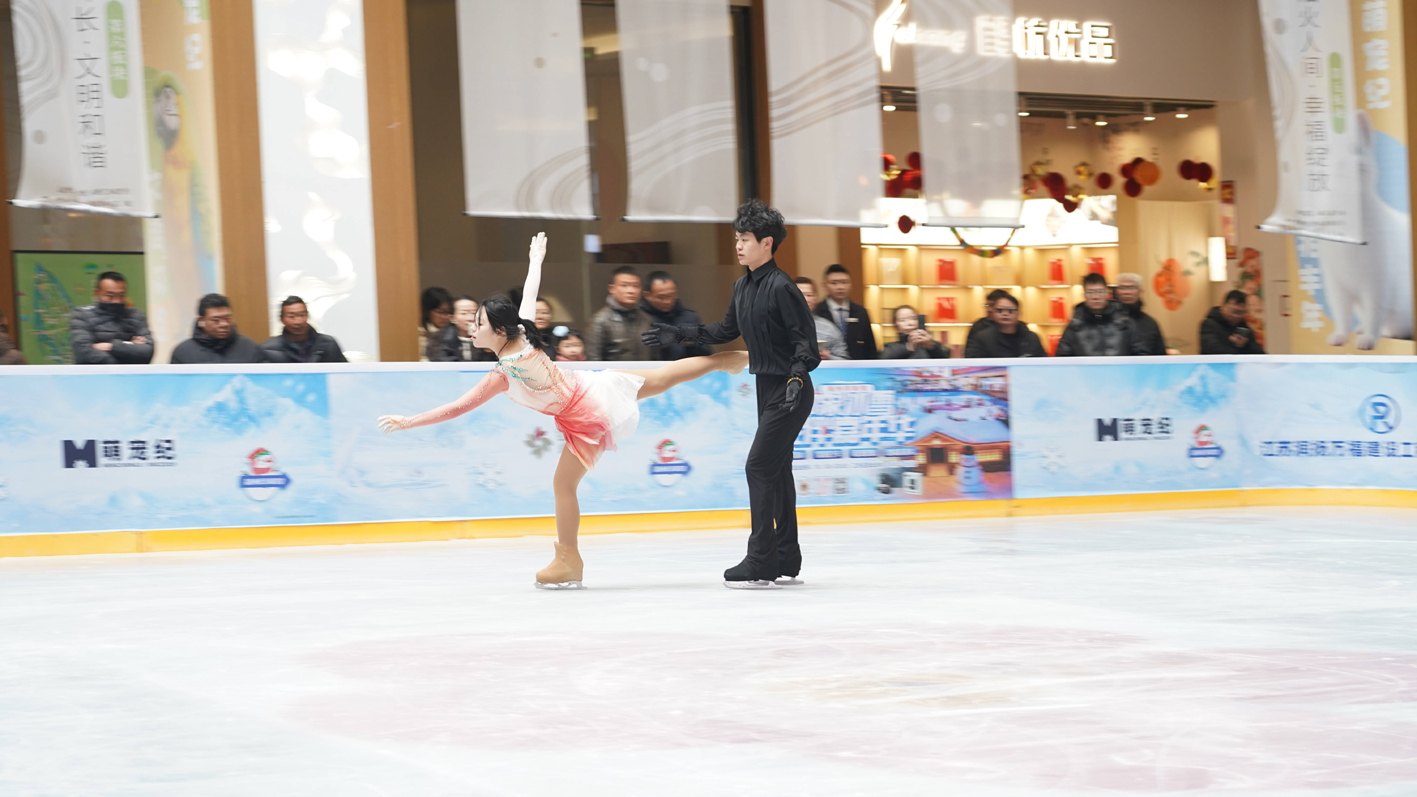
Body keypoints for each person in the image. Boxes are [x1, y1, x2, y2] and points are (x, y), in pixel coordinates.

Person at [378, 234, 747, 589]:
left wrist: (409, 421)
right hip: (593, 387)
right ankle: (725, 360)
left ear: (499, 330)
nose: (472, 328)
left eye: (479, 323)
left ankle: (569, 560)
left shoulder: (508, 369)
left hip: (586, 408)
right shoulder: (521, 337)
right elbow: (529, 296)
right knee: (663, 378)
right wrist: (534, 261)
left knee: (563, 484)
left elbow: (458, 407)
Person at [644, 200, 821, 590]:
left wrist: (795, 378)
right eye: (737, 239)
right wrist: (679, 334)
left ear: (767, 243)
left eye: (745, 239)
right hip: (766, 386)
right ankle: (786, 555)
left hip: (790, 390)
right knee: (776, 470)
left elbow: (805, 344)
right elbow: (724, 331)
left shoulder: (783, 287)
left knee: (758, 467)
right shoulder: (742, 286)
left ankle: (761, 559)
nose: (738, 245)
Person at [69, 271, 154, 364]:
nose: (116, 301)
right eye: (109, 296)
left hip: (129, 374)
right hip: (95, 374)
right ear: (96, 293)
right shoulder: (82, 315)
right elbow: (83, 353)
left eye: (121, 296)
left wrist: (110, 346)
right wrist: (130, 348)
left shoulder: (136, 316)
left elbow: (147, 352)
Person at [1054, 273, 1143, 357]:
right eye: (1090, 292)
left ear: (1107, 293)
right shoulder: (1075, 326)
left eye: (1100, 291)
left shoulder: (1125, 323)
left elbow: (1141, 356)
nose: (1095, 297)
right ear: (1084, 295)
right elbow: (1062, 359)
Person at [171, 294, 267, 364]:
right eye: (216, 320)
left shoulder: (249, 347)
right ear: (201, 320)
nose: (224, 324)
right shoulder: (183, 352)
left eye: (227, 318)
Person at [640, 271, 711, 360]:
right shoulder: (640, 318)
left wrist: (692, 342)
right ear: (648, 296)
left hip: (685, 367)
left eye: (671, 295)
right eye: (661, 297)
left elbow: (707, 354)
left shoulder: (690, 317)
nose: (667, 301)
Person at [585, 266, 651, 361]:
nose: (631, 291)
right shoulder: (600, 320)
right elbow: (593, 358)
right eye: (624, 286)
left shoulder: (646, 319)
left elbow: (654, 355)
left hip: (646, 370)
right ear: (612, 288)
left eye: (635, 286)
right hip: (614, 371)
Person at [813, 264, 877, 360]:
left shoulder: (861, 312)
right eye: (834, 283)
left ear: (851, 284)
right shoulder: (817, 311)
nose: (840, 287)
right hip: (827, 365)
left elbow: (870, 347)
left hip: (857, 365)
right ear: (825, 285)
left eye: (844, 282)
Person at [261, 296, 348, 363]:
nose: (298, 321)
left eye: (302, 315)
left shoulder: (328, 344)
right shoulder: (269, 349)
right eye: (291, 316)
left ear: (307, 316)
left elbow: (344, 373)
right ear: (282, 319)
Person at [963, 292, 1048, 358]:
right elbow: (973, 363)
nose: (1005, 314)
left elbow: (1043, 363)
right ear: (993, 313)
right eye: (1000, 310)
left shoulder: (1031, 338)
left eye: (1010, 311)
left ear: (1019, 313)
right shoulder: (982, 338)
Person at [793, 277, 848, 360]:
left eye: (809, 295)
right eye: (800, 294)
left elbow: (845, 360)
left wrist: (829, 357)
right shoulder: (776, 325)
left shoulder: (829, 328)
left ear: (816, 298)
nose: (805, 299)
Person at [430, 296, 496, 362]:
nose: (470, 318)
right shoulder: (440, 340)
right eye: (464, 313)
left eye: (474, 313)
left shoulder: (489, 339)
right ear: (452, 318)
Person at [1115, 272, 1167, 355]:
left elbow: (1161, 356)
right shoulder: (1107, 321)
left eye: (1132, 288)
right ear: (1117, 291)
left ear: (1140, 291)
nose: (1127, 292)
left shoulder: (1150, 324)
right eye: (1123, 288)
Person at [1201, 289, 1266, 354]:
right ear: (1223, 305)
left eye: (1241, 313)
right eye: (1234, 311)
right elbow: (1213, 350)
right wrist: (1237, 347)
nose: (1237, 316)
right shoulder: (1209, 325)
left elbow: (1259, 353)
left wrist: (1245, 345)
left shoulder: (1244, 328)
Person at [881, 305, 949, 359]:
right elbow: (883, 363)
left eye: (913, 318)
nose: (910, 323)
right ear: (896, 326)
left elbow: (947, 362)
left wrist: (931, 347)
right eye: (902, 320)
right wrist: (908, 348)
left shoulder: (933, 345)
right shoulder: (891, 348)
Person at [418, 287, 453, 362]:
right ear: (427, 311)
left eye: (448, 312)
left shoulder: (453, 331)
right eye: (440, 312)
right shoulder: (419, 333)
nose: (445, 316)